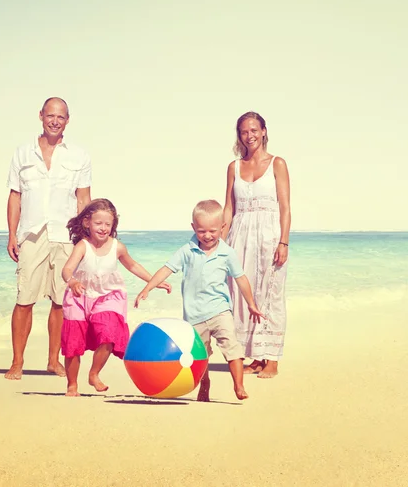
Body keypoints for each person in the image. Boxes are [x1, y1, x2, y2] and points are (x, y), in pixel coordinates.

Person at [135, 200, 263, 402]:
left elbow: (241, 278)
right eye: (202, 231)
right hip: (194, 316)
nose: (208, 236)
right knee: (199, 356)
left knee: (232, 348)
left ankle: (239, 385)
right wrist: (148, 287)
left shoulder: (227, 253)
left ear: (222, 227)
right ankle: (204, 383)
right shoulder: (187, 250)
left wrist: (251, 304)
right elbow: (167, 269)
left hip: (220, 311)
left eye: (213, 231)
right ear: (193, 227)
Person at [4, 97, 91, 380]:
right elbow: (15, 196)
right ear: (41, 115)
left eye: (61, 117)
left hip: (66, 235)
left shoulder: (79, 155)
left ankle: (53, 361)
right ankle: (17, 362)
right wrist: (11, 235)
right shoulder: (22, 153)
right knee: (24, 298)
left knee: (60, 301)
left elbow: (83, 199)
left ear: (68, 120)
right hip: (31, 233)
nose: (55, 121)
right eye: (50, 115)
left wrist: (86, 239)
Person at [61, 199, 171, 396]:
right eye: (98, 223)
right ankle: (72, 385)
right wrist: (72, 282)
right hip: (79, 296)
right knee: (73, 344)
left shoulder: (117, 247)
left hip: (108, 296)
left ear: (113, 225)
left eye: (107, 224)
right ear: (87, 223)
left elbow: (133, 266)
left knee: (110, 333)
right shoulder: (82, 246)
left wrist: (154, 281)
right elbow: (67, 269)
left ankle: (94, 374)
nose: (103, 228)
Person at [222, 111, 291, 379]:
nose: (249, 136)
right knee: (243, 294)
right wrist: (220, 243)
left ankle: (271, 358)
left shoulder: (277, 163)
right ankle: (256, 355)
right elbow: (229, 208)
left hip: (269, 235)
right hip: (239, 235)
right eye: (243, 131)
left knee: (270, 293)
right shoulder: (234, 167)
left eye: (254, 130)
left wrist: (283, 241)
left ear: (263, 131)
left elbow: (285, 207)